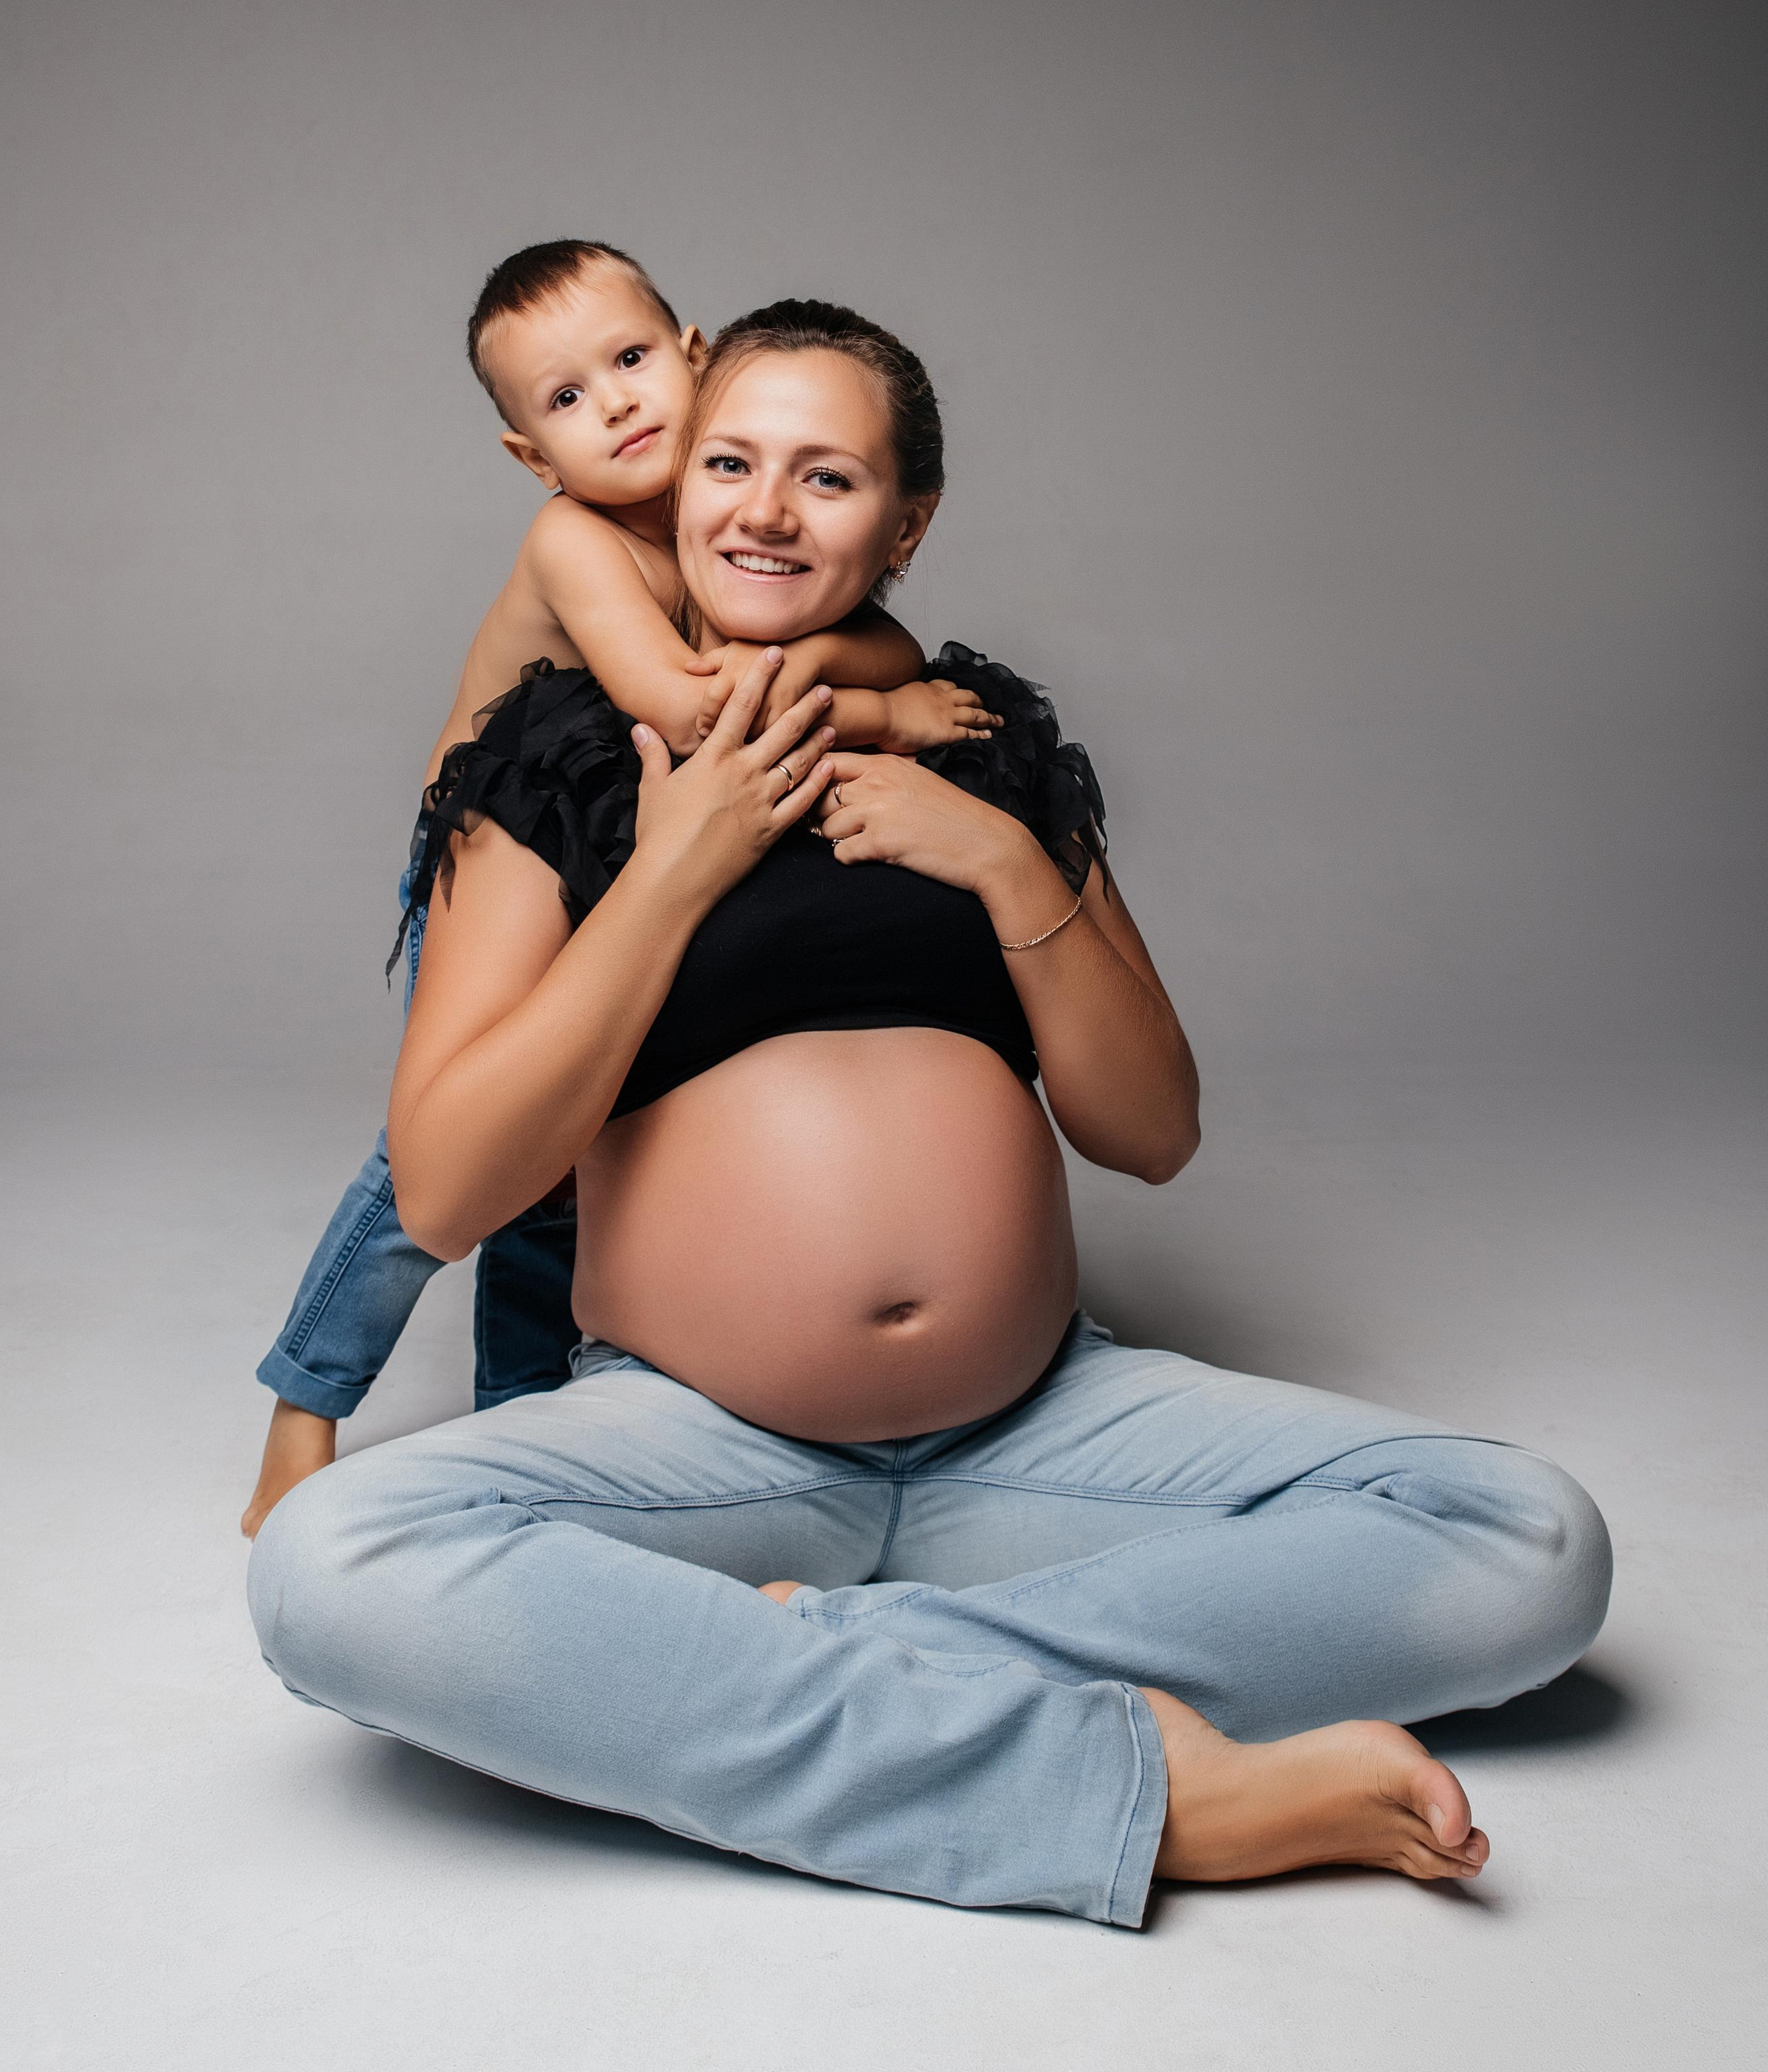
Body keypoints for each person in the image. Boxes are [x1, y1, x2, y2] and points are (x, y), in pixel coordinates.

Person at [247, 299, 1612, 1926]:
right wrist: (673, 870)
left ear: (906, 524)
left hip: (1035, 1431)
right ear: (675, 483)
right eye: (732, 463)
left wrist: (1001, 859)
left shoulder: (979, 743)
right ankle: (1155, 1791)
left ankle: (847, 1671)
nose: (761, 509)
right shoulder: (556, 759)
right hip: (698, 1442)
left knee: (1529, 1541)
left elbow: (1150, 1128)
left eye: (825, 479)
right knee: (328, 1568)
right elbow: (451, 1190)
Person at [242, 246, 994, 1537]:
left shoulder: (729, 502)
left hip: (612, 860)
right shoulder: (578, 538)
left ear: (695, 353)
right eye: (569, 402)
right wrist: (884, 711)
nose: (621, 406)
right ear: (533, 458)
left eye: (635, 362)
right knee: (446, 1163)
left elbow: (877, 627)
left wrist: (839, 651)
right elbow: (691, 708)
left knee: (581, 1149)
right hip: (492, 865)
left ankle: (525, 1427)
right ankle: (304, 1406)